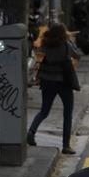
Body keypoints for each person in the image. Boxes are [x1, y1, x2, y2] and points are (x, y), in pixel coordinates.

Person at [27, 23, 82, 154]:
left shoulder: (45, 45)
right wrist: (71, 41)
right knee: (67, 114)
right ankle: (66, 145)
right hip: (64, 83)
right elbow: (77, 55)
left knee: (44, 111)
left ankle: (31, 132)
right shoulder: (66, 45)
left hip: (47, 81)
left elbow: (39, 56)